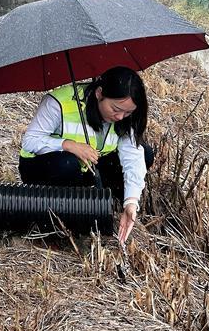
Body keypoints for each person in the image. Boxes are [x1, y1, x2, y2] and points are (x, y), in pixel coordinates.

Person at [18, 67, 155, 244]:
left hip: (87, 169)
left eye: (128, 112)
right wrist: (68, 145)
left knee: (145, 153)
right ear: (99, 93)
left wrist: (131, 202)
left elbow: (132, 158)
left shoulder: (124, 118)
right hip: (46, 169)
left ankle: (101, 206)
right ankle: (59, 221)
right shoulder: (58, 102)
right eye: (116, 108)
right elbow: (30, 141)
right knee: (67, 163)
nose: (120, 116)